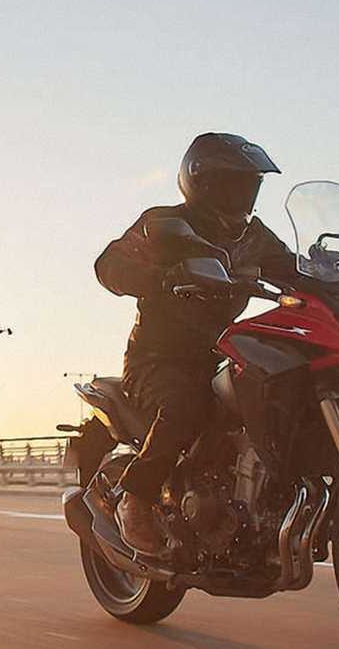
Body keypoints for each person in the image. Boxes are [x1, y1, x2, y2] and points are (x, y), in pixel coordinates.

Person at [93, 132, 296, 558]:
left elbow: (294, 271)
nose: (242, 194)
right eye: (231, 183)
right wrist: (161, 279)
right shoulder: (164, 224)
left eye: (249, 184)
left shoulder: (254, 237)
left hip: (220, 353)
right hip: (159, 357)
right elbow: (109, 264)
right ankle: (137, 497)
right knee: (185, 406)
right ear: (202, 184)